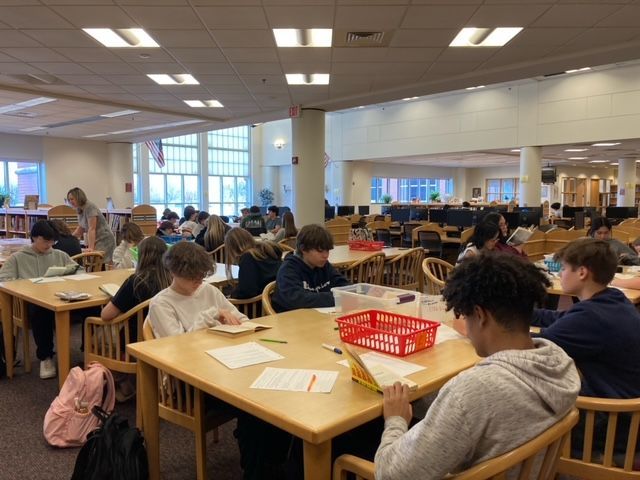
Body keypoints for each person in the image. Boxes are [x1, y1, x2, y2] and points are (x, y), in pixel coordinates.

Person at [373, 253, 580, 479]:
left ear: (480, 316)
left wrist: (395, 420)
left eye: (465, 316)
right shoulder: (560, 363)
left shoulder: (472, 392)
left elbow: (391, 474)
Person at [531, 238, 640, 454]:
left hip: (616, 425)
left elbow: (529, 348)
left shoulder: (590, 317)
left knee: (524, 416)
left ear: (582, 272)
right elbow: (559, 318)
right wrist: (512, 313)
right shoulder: (613, 299)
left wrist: (481, 328)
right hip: (628, 413)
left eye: (563, 269)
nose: (560, 275)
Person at [0, 220, 80, 379]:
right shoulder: (18, 257)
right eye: (46, 240)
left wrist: (69, 276)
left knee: (91, 308)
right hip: (31, 304)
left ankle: (91, 350)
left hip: (60, 298)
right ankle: (46, 357)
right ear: (34, 238)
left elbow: (79, 270)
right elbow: (4, 279)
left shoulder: (59, 255)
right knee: (41, 312)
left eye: (53, 241)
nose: (49, 244)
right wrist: (26, 285)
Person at [102, 236, 171, 400]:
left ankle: (121, 379)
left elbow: (106, 316)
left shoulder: (136, 281)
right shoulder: (172, 281)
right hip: (164, 337)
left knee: (92, 328)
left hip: (134, 340)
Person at [148, 241, 247, 338]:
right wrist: (211, 315)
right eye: (191, 277)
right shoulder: (161, 303)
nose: (199, 282)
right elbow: (177, 343)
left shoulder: (208, 290)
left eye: (201, 276)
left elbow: (241, 319)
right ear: (173, 272)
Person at [272, 224, 349, 311]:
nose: (326, 255)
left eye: (327, 250)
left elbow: (345, 286)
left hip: (317, 317)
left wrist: (346, 294)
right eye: (320, 251)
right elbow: (298, 300)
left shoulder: (323, 265)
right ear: (303, 249)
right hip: (291, 320)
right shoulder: (288, 270)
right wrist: (338, 297)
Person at [224, 228, 283, 299]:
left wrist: (231, 296)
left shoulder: (248, 258)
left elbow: (247, 291)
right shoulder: (267, 250)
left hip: (259, 304)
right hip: (275, 298)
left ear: (233, 247)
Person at [67, 187, 116, 263]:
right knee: (95, 262)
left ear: (78, 197)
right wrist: (69, 239)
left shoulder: (89, 206)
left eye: (72, 199)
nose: (70, 201)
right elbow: (81, 228)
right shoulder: (79, 209)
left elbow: (92, 228)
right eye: (69, 199)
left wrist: (91, 248)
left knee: (99, 262)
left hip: (104, 239)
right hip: (97, 239)